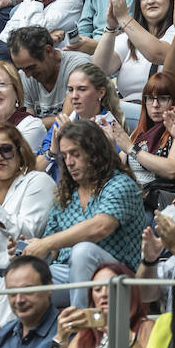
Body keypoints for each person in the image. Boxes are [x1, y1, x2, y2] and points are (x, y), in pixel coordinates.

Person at [28, 119, 148, 307]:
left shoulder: (119, 184)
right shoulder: (66, 193)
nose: (69, 162)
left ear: (95, 153)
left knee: (83, 251)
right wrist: (30, 250)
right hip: (70, 274)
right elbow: (52, 247)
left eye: (75, 154)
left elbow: (100, 227)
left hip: (117, 277)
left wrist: (45, 243)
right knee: (23, 275)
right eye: (65, 155)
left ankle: (83, 327)